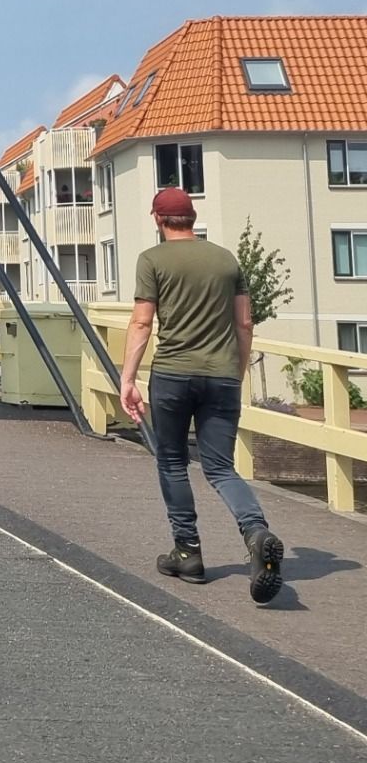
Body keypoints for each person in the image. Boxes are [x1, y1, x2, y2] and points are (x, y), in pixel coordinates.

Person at [119, 187, 284, 604]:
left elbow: (142, 323)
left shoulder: (152, 260)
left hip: (173, 375)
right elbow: (244, 324)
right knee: (221, 468)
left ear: (158, 219)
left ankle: (188, 551)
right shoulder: (226, 259)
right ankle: (255, 532)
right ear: (192, 218)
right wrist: (235, 373)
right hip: (222, 376)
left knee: (173, 462)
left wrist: (128, 379)